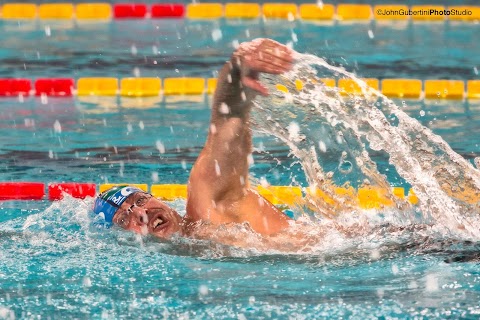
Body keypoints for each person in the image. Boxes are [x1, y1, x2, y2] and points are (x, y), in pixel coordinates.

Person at [93, 38, 295, 240]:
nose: (141, 213)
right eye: (123, 220)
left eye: (140, 200)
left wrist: (237, 68)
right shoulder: (193, 249)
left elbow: (226, 125)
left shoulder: (207, 209)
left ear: (159, 199)